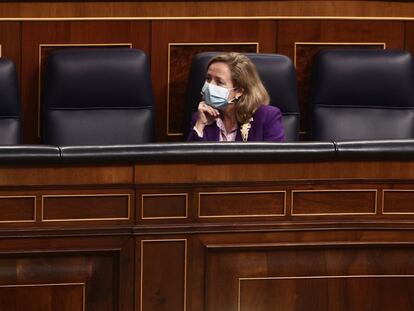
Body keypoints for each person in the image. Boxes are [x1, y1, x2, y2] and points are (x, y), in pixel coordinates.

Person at [187, 52, 285, 142]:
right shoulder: (200, 117)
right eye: (208, 78)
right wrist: (200, 124)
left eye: (219, 82)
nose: (209, 86)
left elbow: (276, 159)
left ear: (238, 91)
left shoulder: (266, 117)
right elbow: (189, 159)